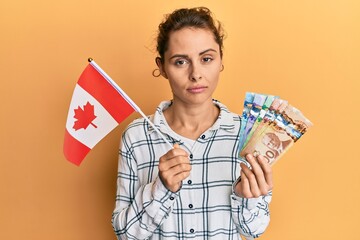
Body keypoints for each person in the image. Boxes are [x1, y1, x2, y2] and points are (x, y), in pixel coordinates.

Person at [112, 7, 273, 239]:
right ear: (162, 67)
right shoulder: (137, 136)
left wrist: (246, 197)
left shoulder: (247, 134)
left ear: (220, 61)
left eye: (206, 58)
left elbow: (253, 230)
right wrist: (161, 189)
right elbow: (125, 234)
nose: (196, 73)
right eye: (180, 62)